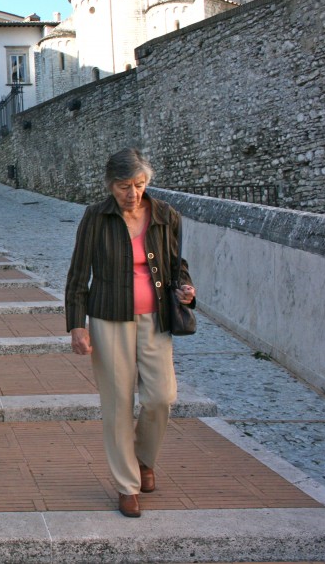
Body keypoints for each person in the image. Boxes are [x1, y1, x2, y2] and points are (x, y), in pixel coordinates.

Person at [65, 147, 196, 518]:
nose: (132, 193)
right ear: (110, 185)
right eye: (124, 186)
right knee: (118, 403)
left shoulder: (166, 215)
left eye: (138, 185)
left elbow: (176, 265)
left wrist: (186, 289)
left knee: (161, 397)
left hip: (156, 318)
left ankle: (144, 459)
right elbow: (78, 274)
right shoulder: (96, 217)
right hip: (109, 318)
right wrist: (77, 325)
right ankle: (127, 484)